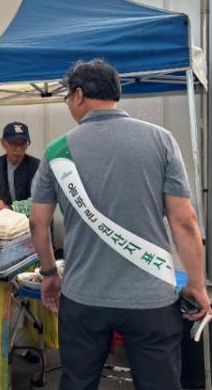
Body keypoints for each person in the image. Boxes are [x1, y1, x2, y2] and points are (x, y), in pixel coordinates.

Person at [30, 59, 211, 390]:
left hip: (83, 297)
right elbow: (184, 222)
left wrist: (49, 274)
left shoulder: (57, 150)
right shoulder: (161, 140)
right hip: (151, 298)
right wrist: (197, 284)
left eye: (67, 97)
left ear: (79, 95)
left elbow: (37, 223)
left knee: (78, 382)